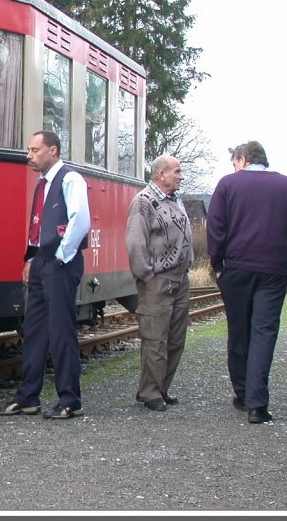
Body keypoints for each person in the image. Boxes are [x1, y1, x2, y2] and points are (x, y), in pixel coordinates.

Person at [207, 141, 287, 424]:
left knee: (238, 330)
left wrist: (217, 265)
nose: (233, 167)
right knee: (264, 332)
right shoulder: (286, 186)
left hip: (236, 269)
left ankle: (242, 392)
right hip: (272, 270)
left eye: (234, 162)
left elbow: (215, 228)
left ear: (243, 159)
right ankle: (258, 404)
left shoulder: (227, 185)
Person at [0, 131, 91, 419]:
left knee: (61, 331)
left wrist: (60, 256)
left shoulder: (70, 179)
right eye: (28, 149)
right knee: (35, 330)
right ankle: (28, 397)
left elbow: (80, 220)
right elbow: (40, 225)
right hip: (42, 263)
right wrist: (33, 258)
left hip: (61, 263)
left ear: (53, 150)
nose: (29, 155)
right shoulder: (43, 183)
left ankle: (70, 400)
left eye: (35, 150)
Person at [125, 154, 193, 412]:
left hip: (180, 279)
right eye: (177, 171)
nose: (181, 176)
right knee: (155, 340)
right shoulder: (144, 202)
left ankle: (160, 388)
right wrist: (145, 275)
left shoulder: (176, 200)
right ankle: (150, 392)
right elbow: (134, 241)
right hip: (158, 280)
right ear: (161, 174)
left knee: (176, 339)